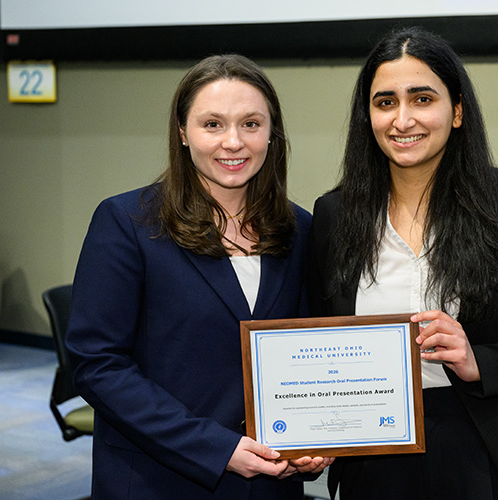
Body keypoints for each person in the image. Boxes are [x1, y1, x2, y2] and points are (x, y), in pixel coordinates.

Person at [308, 27, 498, 499]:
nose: (402, 120)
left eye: (422, 99)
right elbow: (318, 336)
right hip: (374, 454)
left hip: (488, 450)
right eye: (385, 102)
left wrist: (479, 360)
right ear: (368, 116)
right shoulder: (335, 215)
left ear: (456, 111)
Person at [66, 54, 331, 499]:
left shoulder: (301, 228)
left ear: (273, 134)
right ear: (182, 133)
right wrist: (218, 448)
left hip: (270, 484)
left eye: (251, 124)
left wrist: (313, 443)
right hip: (160, 479)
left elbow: (312, 351)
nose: (234, 142)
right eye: (212, 124)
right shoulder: (127, 222)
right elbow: (98, 365)